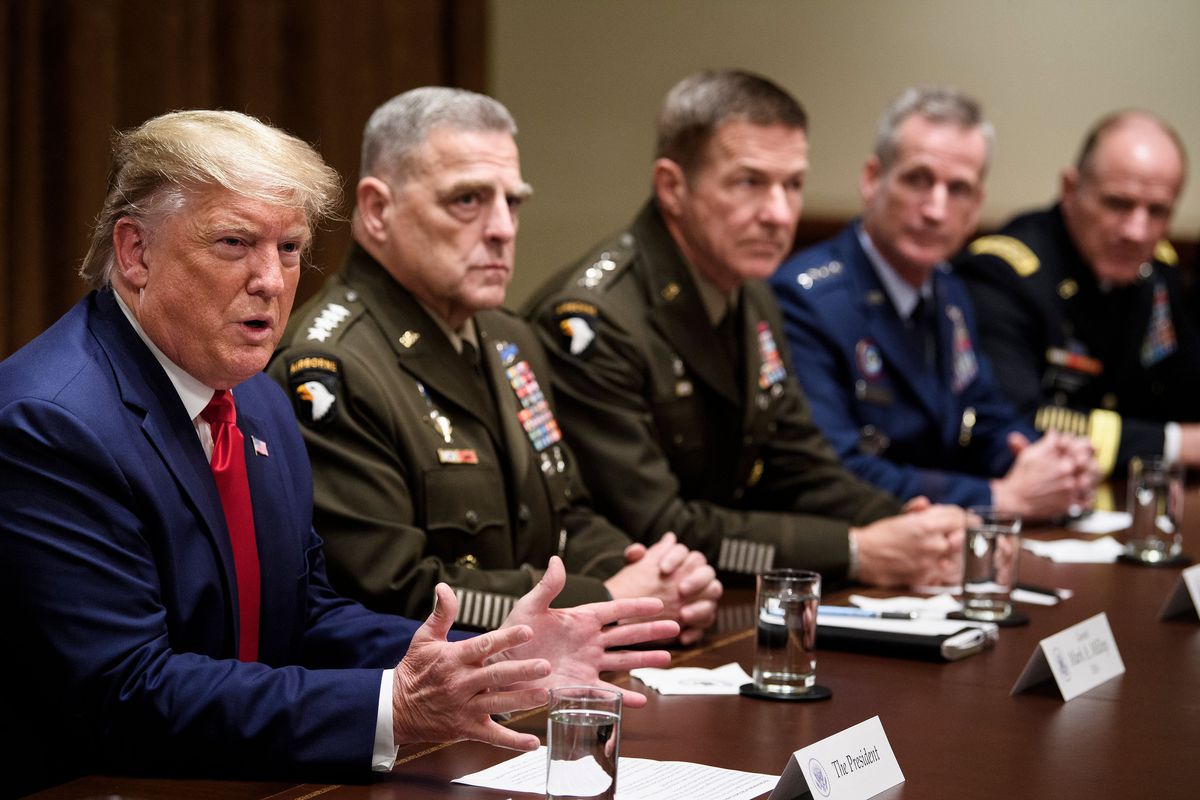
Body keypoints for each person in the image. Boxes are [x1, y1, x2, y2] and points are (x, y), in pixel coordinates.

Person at [0, 110, 678, 797]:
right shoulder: (49, 424)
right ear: (136, 253)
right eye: (234, 243)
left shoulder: (256, 400)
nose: (271, 280)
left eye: (290, 249)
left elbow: (308, 616)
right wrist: (391, 710)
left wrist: (488, 660)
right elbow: (129, 691)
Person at [269, 88, 721, 644]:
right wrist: (606, 601)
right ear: (378, 209)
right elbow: (393, 591)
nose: (503, 227)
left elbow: (564, 514)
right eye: (468, 200)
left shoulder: (508, 337)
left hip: (535, 676)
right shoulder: (331, 368)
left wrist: (654, 582)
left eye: (514, 201)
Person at [525, 70, 964, 591]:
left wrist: (907, 523)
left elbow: (799, 460)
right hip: (623, 606)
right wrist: (855, 551)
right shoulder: (592, 322)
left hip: (716, 594)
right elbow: (658, 526)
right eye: (749, 182)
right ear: (672, 187)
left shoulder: (750, 291)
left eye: (793, 185)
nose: (779, 214)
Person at [770, 88, 1097, 517]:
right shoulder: (807, 298)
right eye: (918, 179)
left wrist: (1047, 464)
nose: (936, 210)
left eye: (958, 188)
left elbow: (982, 414)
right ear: (872, 180)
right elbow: (835, 469)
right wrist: (999, 498)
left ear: (977, 204)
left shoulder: (947, 288)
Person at [955, 111, 1200, 476]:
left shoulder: (1157, 272)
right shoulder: (1004, 273)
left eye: (1157, 211)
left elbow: (1185, 390)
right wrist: (1175, 444)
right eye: (1119, 204)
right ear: (1070, 190)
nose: (1137, 230)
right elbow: (1017, 419)